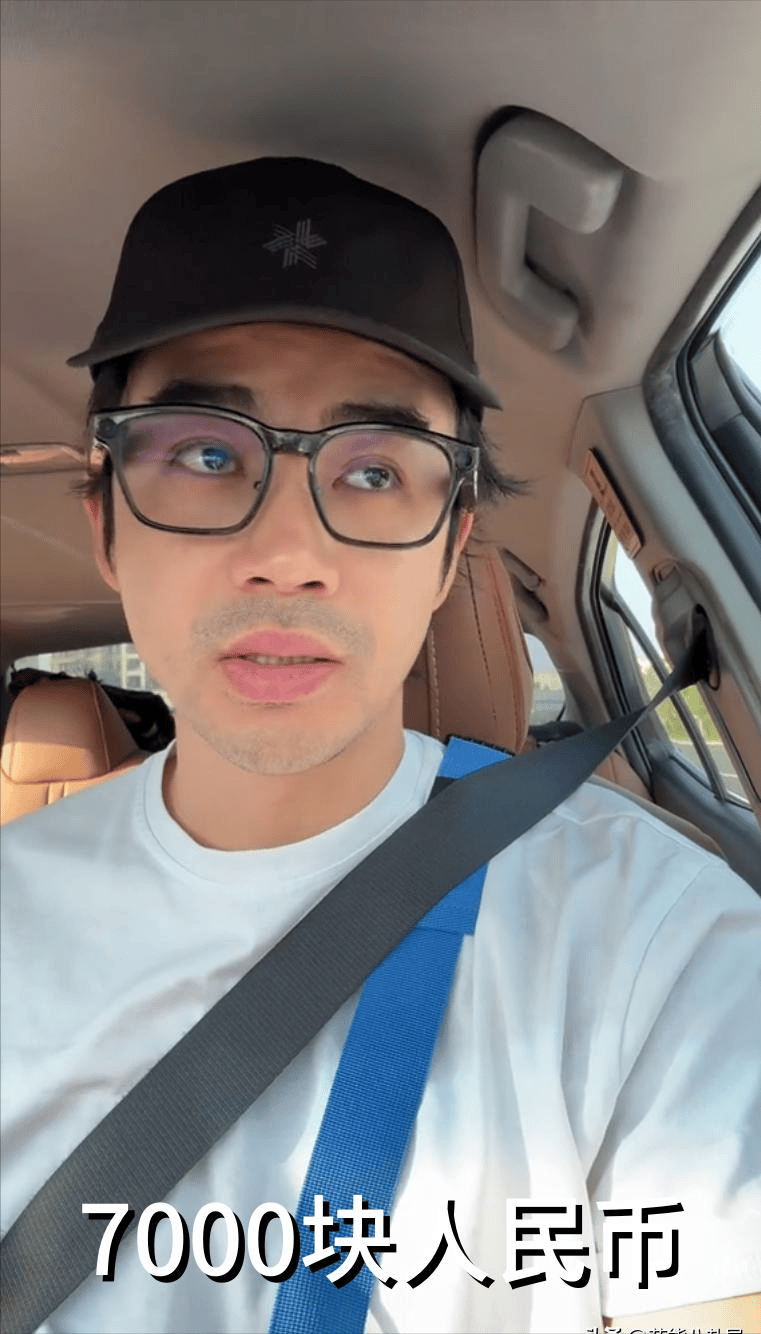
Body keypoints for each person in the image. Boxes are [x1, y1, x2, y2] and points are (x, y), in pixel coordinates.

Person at [1, 157, 759, 1334]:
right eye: (206, 454)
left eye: (370, 469)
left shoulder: (655, 937)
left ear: (451, 548)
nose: (288, 555)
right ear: (105, 521)